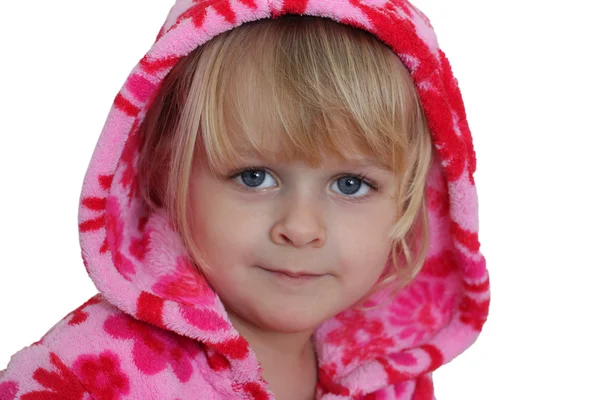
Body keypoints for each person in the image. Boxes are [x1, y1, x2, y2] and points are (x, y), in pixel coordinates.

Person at [0, 1, 490, 399]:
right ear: (163, 168)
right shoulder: (85, 375)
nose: (300, 227)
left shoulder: (389, 378)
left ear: (414, 198)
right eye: (254, 177)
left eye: (350, 184)